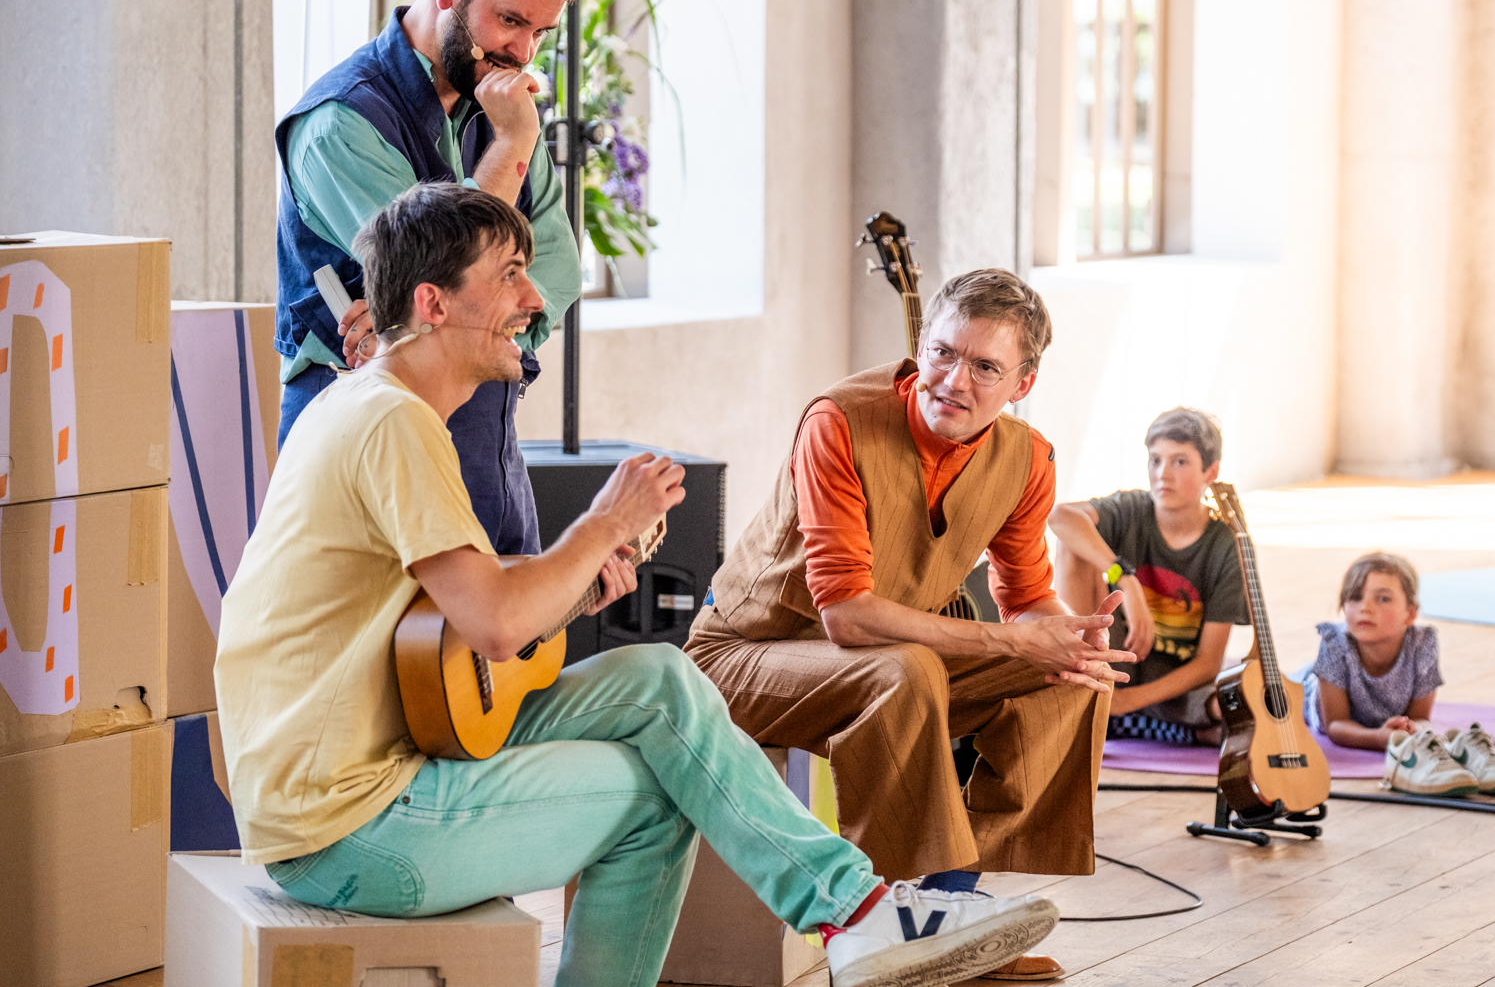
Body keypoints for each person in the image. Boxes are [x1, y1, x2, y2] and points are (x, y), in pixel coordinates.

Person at [215, 184, 1057, 987]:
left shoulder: (372, 402)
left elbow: (450, 620)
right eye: (509, 275)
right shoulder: (394, 421)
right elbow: (497, 626)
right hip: (349, 824)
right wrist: (603, 525)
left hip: (377, 753)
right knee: (663, 791)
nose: (535, 299)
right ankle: (855, 913)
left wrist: (578, 585)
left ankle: (855, 909)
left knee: (659, 676)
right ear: (433, 303)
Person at [685, 268, 1134, 985]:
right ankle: (899, 924)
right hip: (744, 654)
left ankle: (945, 907)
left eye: (984, 365)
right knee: (908, 669)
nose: (954, 379)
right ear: (921, 345)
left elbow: (1025, 597)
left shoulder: (1027, 459)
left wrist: (1070, 636)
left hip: (880, 657)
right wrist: (1014, 637)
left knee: (1071, 680)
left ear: (1023, 383)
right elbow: (847, 613)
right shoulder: (837, 421)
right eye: (943, 352)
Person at [273, 0, 584, 554]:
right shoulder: (339, 124)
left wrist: (442, 320)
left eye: (539, 35)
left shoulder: (499, 105)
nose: (522, 53)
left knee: (511, 649)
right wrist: (508, 152)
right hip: (367, 455)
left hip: (490, 452)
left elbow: (558, 264)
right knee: (381, 653)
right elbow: (440, 258)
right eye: (509, 21)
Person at [1049, 407, 1247, 746]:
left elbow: (1209, 663)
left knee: (1235, 704)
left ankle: (1119, 718)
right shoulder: (1132, 508)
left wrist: (1127, 702)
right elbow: (1060, 517)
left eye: (1180, 462)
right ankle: (1093, 697)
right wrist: (1125, 578)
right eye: (1155, 460)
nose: (1162, 474)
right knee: (1074, 547)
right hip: (1111, 666)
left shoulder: (1226, 546)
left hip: (1173, 687)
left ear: (1210, 472)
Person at [1302, 551, 1495, 796]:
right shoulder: (1334, 642)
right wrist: (1378, 738)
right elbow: (1335, 724)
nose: (1365, 607)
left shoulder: (1422, 644)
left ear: (1410, 613)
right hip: (1307, 689)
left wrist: (1410, 729)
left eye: (1383, 599)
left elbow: (1420, 717)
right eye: (1355, 597)